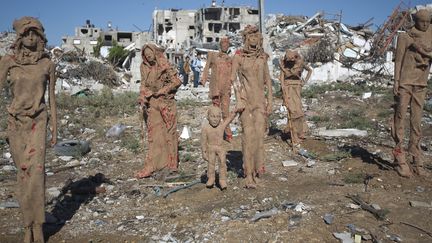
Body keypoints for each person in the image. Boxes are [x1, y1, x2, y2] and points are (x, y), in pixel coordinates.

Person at [0, 16, 57, 243]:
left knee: (37, 174)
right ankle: (26, 225)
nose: (31, 38)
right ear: (20, 37)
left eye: (35, 34)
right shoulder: (7, 62)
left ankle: (38, 225)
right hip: (16, 124)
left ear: (41, 37)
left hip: (38, 122)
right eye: (26, 34)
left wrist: (55, 127)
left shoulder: (47, 64)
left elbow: (52, 98)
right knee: (23, 173)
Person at [230, 25, 273, 188]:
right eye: (251, 37)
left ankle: (257, 170)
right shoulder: (239, 57)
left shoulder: (262, 57)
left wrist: (271, 100)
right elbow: (233, 78)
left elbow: (268, 80)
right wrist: (238, 99)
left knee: (259, 137)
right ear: (246, 39)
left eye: (257, 37)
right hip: (246, 102)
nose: (254, 39)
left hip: (260, 102)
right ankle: (248, 174)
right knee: (248, 137)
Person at [392, 9, 432, 177]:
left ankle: (415, 155)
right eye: (422, 21)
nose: (425, 24)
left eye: (427, 21)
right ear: (415, 21)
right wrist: (396, 81)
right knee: (400, 117)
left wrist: (422, 51)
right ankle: (399, 156)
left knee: (416, 121)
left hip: (421, 84)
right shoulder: (405, 37)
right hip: (405, 83)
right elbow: (399, 59)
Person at [136, 43, 181, 178]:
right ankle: (153, 165)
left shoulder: (163, 64)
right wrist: (142, 96)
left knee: (169, 132)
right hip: (152, 103)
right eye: (146, 55)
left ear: (155, 53)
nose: (149, 57)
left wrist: (163, 91)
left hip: (166, 103)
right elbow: (143, 84)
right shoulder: (143, 67)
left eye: (150, 54)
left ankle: (172, 164)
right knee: (154, 135)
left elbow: (176, 81)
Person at [201, 37, 234, 141]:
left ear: (228, 46)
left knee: (225, 112)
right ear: (220, 45)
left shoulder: (230, 58)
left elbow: (235, 72)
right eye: (223, 44)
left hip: (226, 88)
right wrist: (203, 78)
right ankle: (215, 133)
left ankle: (227, 133)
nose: (225, 46)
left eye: (227, 44)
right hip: (215, 87)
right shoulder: (213, 55)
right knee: (215, 111)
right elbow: (206, 67)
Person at [279, 49, 312, 145]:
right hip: (287, 87)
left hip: (297, 87)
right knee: (292, 111)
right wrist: (283, 91)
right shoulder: (284, 64)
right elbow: (282, 78)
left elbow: (309, 70)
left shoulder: (300, 62)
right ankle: (294, 135)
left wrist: (304, 81)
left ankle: (300, 132)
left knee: (299, 110)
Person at [201, 106, 239, 190]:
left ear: (220, 117)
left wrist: (235, 111)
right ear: (208, 117)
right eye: (213, 116)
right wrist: (204, 152)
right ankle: (211, 178)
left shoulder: (221, 125)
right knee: (211, 164)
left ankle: (222, 180)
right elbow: (203, 141)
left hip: (220, 148)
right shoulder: (205, 128)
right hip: (210, 148)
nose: (215, 119)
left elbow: (229, 119)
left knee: (222, 163)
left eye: (218, 117)